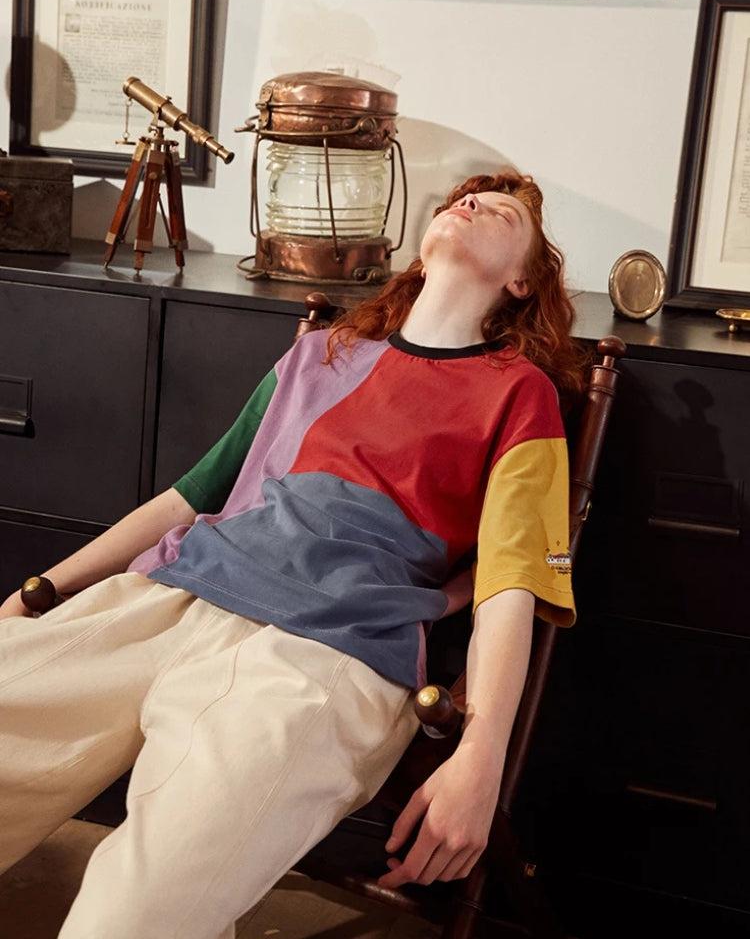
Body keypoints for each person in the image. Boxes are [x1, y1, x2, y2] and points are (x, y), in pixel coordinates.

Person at [0, 168, 591, 939]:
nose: (469, 203)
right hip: (175, 591)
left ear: (521, 281)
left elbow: (510, 588)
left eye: (503, 214)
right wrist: (44, 589)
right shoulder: (320, 356)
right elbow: (188, 496)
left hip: (327, 654)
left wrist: (481, 760)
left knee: (139, 911)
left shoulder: (520, 394)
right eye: (459, 200)